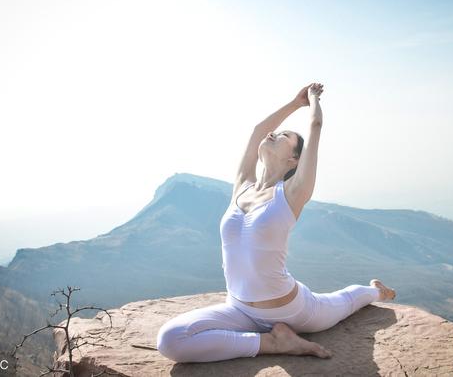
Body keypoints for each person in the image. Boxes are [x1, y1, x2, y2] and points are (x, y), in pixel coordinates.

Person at [156, 82, 396, 363]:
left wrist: (314, 99)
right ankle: (272, 343)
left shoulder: (293, 193)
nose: (272, 134)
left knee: (345, 301)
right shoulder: (242, 186)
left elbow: (315, 126)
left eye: (283, 135)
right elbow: (258, 130)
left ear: (294, 159)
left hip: (292, 310)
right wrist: (295, 103)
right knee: (170, 340)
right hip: (239, 310)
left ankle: (375, 290)